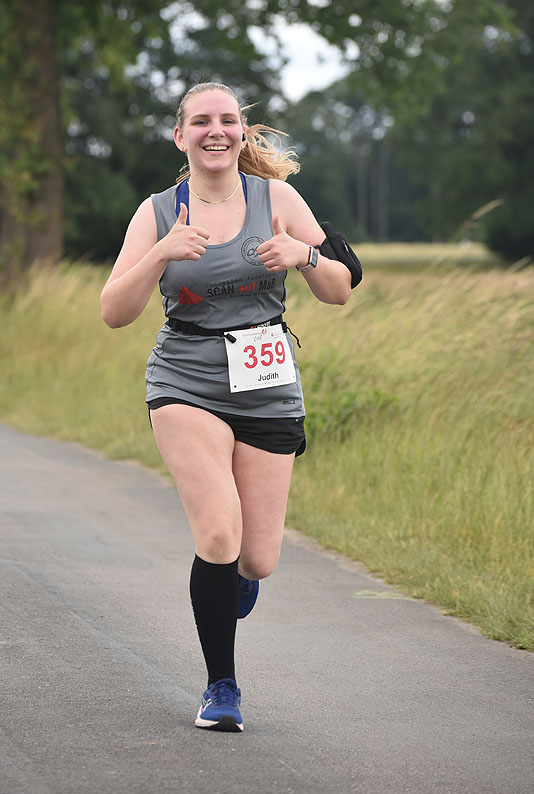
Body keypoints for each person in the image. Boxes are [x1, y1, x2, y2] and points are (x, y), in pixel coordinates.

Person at [101, 81, 355, 733]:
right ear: (179, 136)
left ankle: (233, 577)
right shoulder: (158, 212)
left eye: (227, 120)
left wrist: (306, 255)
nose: (215, 130)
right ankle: (221, 687)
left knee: (256, 558)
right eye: (200, 121)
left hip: (266, 381)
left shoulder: (278, 199)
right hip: (186, 378)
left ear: (241, 133)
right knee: (218, 533)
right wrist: (161, 253)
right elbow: (113, 311)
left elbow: (340, 288)